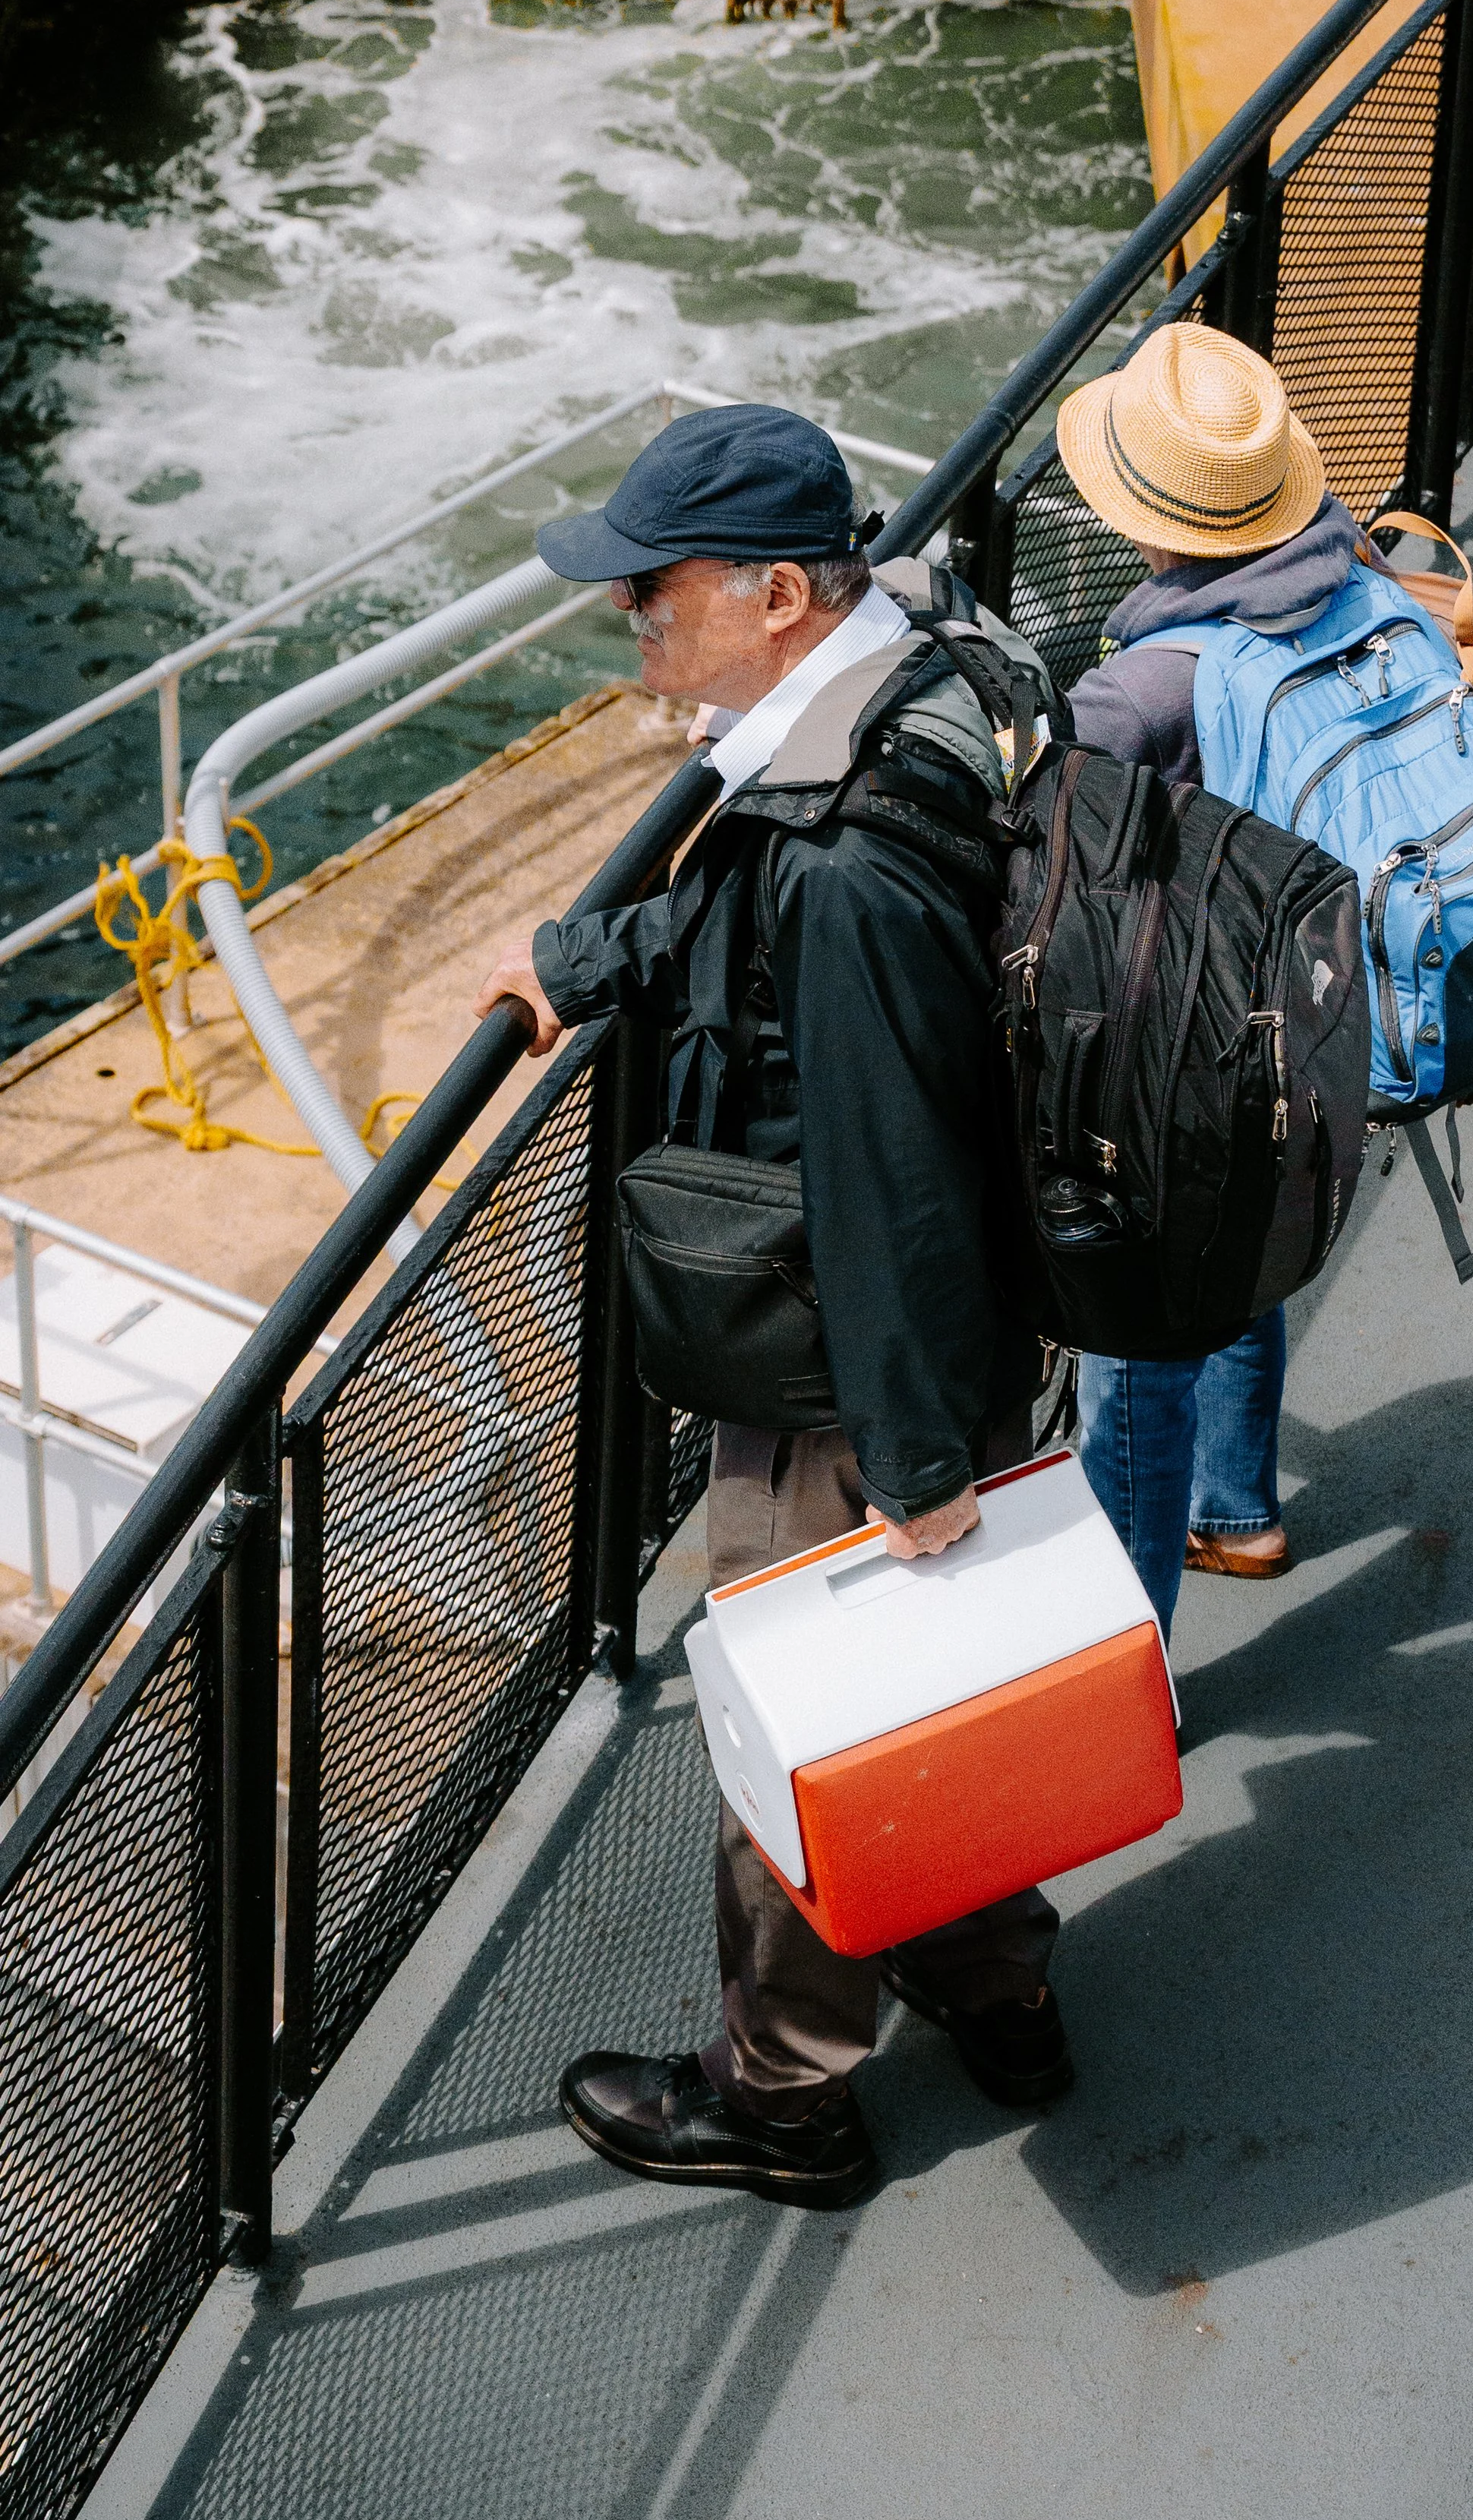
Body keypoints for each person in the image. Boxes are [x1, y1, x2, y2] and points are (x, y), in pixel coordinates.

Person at [475, 403, 1071, 2213]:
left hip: (859, 1364)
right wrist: (595, 960)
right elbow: (752, 928)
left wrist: (902, 1466)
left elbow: (876, 1171)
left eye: (655, 594)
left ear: (783, 594)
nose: (631, 627)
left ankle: (785, 2098)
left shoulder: (842, 864)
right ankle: (996, 1982)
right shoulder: (932, 673)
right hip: (976, 1304)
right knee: (948, 1683)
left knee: (811, 1726)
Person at [1052, 321, 1358, 1637]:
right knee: (1247, 1255)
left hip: (1185, 1040)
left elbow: (1032, 801)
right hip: (1316, 1008)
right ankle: (1237, 1508)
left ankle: (1122, 1676)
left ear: (1151, 524)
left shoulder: (1145, 688)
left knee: (1133, 1361)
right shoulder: (1350, 585)